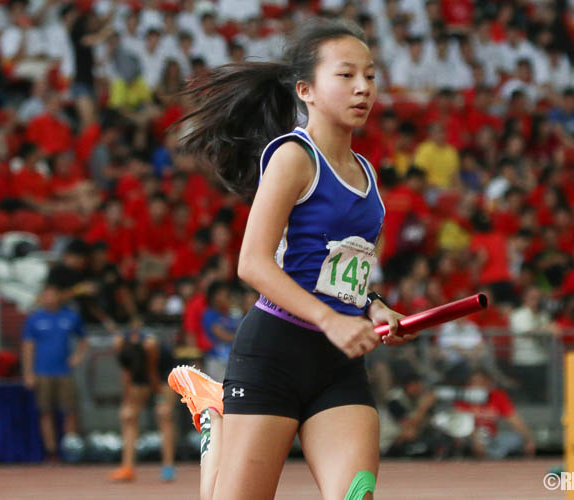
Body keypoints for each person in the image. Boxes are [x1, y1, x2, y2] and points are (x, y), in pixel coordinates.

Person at [167, 19, 414, 500]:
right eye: (346, 75)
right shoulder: (293, 157)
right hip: (274, 353)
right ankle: (214, 420)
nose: (363, 87)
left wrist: (372, 306)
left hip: (338, 364)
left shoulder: (365, 171)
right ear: (307, 90)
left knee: (355, 495)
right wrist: (330, 319)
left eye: (370, 75)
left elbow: (338, 269)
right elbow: (253, 265)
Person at [22, 285, 87, 459]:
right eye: (46, 295)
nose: (49, 299)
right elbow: (28, 347)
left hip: (64, 371)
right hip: (42, 371)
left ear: (58, 297)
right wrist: (28, 372)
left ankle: (71, 449)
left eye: (52, 295)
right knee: (46, 411)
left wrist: (77, 357)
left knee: (70, 410)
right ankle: (51, 451)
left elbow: (83, 339)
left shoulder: (70, 317)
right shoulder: (35, 319)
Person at [110, 329, 178, 482]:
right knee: (129, 416)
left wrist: (160, 397)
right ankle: (127, 467)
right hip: (141, 375)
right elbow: (126, 375)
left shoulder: (150, 346)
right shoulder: (121, 347)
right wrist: (126, 401)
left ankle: (168, 466)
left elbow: (153, 373)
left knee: (164, 414)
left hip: (162, 373)